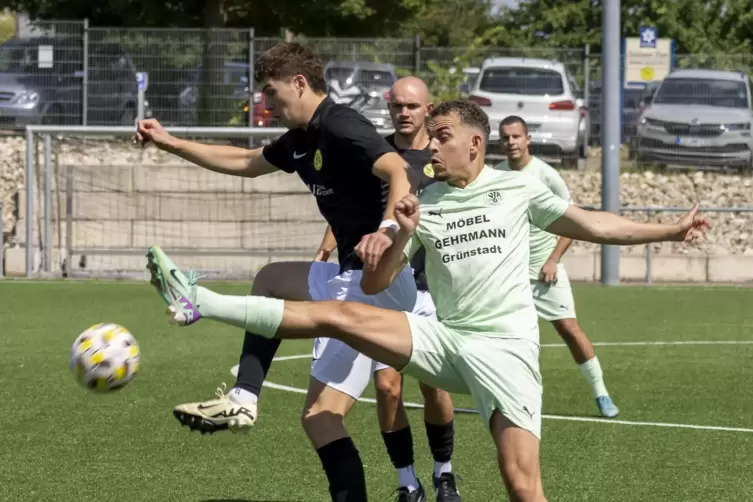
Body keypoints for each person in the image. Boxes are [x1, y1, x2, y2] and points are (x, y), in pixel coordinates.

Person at [145, 100, 709, 501]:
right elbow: (374, 284)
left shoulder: (518, 189)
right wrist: (401, 233)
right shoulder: (422, 199)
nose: (430, 145)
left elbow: (596, 225)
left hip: (506, 351)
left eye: (441, 136)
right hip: (446, 339)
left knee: (521, 484)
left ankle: (439, 471)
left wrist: (667, 231)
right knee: (342, 316)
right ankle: (200, 302)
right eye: (430, 134)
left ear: (474, 144)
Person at [134, 42, 419, 502]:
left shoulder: (342, 123)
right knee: (319, 415)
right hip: (351, 279)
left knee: (312, 337)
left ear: (300, 84)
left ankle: (200, 305)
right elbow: (246, 163)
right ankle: (245, 397)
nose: (266, 103)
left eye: (271, 91)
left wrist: (386, 231)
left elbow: (399, 169)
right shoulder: (300, 140)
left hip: (377, 284)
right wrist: (171, 143)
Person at [314, 76, 461, 502]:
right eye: (397, 105)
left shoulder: (439, 157)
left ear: (427, 110)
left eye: (412, 106)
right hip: (384, 285)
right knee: (387, 387)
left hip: (429, 287)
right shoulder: (375, 152)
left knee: (434, 386)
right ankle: (407, 482)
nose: (404, 112)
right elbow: (354, 202)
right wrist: (330, 237)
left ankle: (444, 473)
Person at [495, 115, 619, 418]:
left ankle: (601, 392)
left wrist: (552, 259)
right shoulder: (495, 174)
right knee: (504, 334)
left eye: (516, 137)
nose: (511, 142)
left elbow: (572, 221)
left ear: (528, 140)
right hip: (509, 274)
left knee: (569, 329)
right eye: (505, 137)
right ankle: (506, 396)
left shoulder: (546, 175)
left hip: (543, 270)